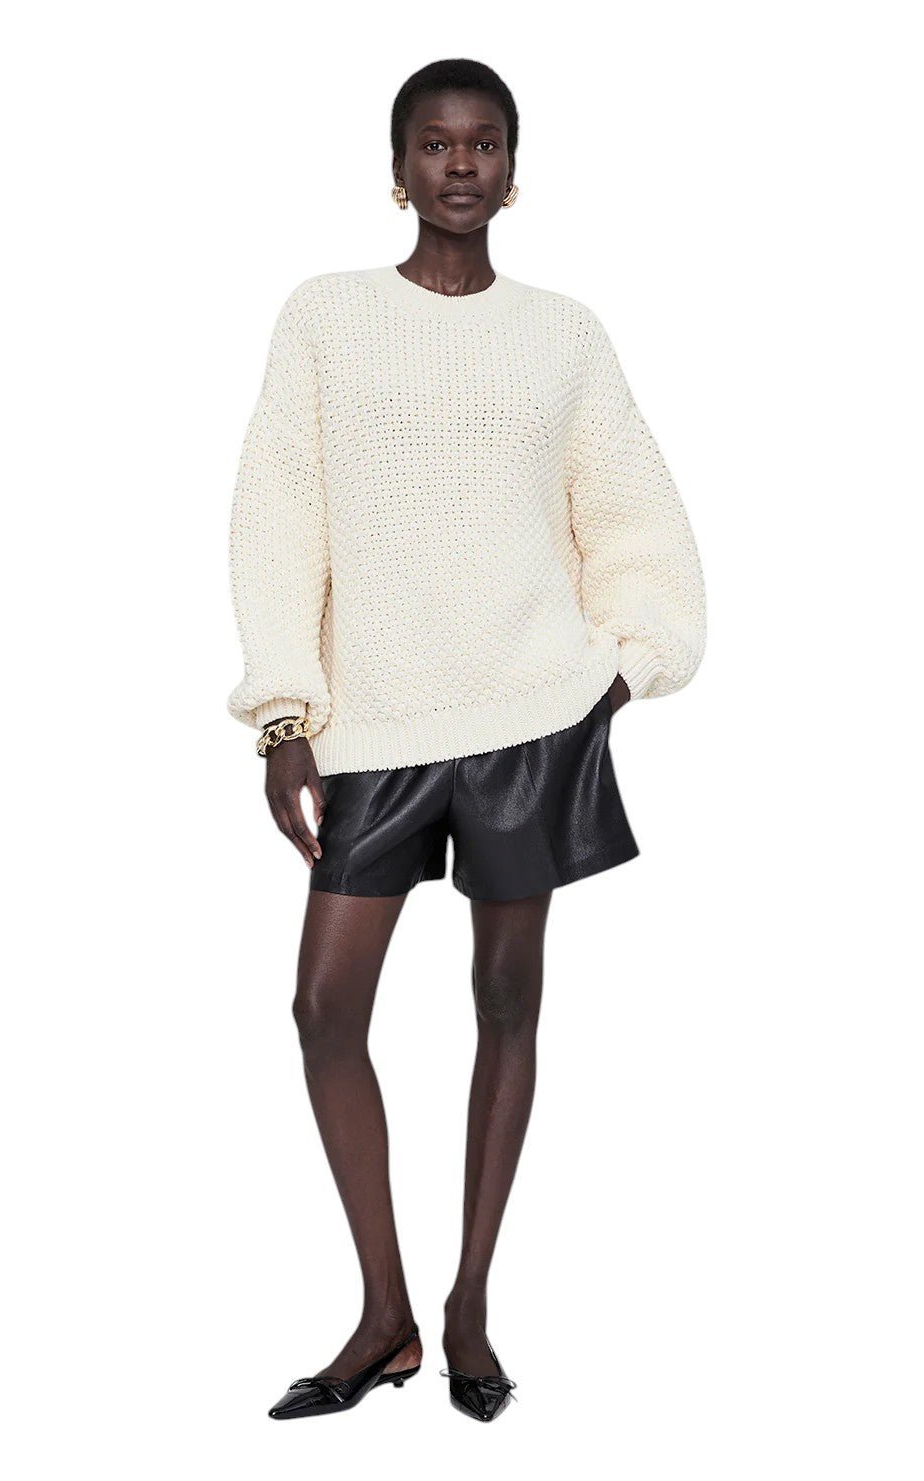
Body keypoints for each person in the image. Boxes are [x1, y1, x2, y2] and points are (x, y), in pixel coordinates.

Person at [227, 57, 706, 1424]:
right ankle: (381, 1311)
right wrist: (284, 714)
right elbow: (278, 514)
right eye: (435, 145)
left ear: (512, 168)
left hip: (527, 720)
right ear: (397, 169)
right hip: (374, 722)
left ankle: (468, 1306)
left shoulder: (563, 335)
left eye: (483, 143)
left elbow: (629, 512)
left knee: (507, 999)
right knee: (325, 1009)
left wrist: (618, 674)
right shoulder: (325, 317)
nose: (459, 165)